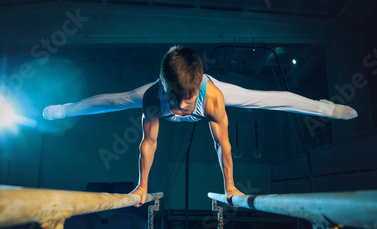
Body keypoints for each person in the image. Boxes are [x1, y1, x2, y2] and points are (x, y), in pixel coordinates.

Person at [43, 46, 358, 205]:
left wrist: (230, 188)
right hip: (156, 97)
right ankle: (64, 111)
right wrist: (141, 186)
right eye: (175, 97)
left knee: (268, 98)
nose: (181, 106)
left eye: (187, 97)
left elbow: (224, 144)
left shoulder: (212, 99)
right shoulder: (155, 96)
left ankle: (323, 108)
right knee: (112, 100)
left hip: (210, 94)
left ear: (197, 86)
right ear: (165, 87)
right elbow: (148, 143)